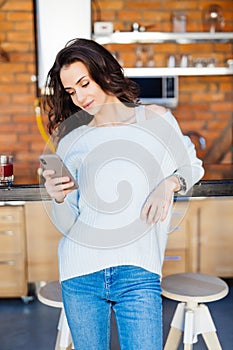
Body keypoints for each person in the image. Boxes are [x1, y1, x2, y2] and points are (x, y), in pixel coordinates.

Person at [42, 38, 204, 350]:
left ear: (104, 72)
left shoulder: (155, 119)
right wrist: (58, 197)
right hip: (80, 272)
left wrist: (169, 184)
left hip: (138, 271)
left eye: (84, 83)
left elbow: (192, 166)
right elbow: (69, 219)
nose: (80, 97)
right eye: (72, 91)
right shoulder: (73, 139)